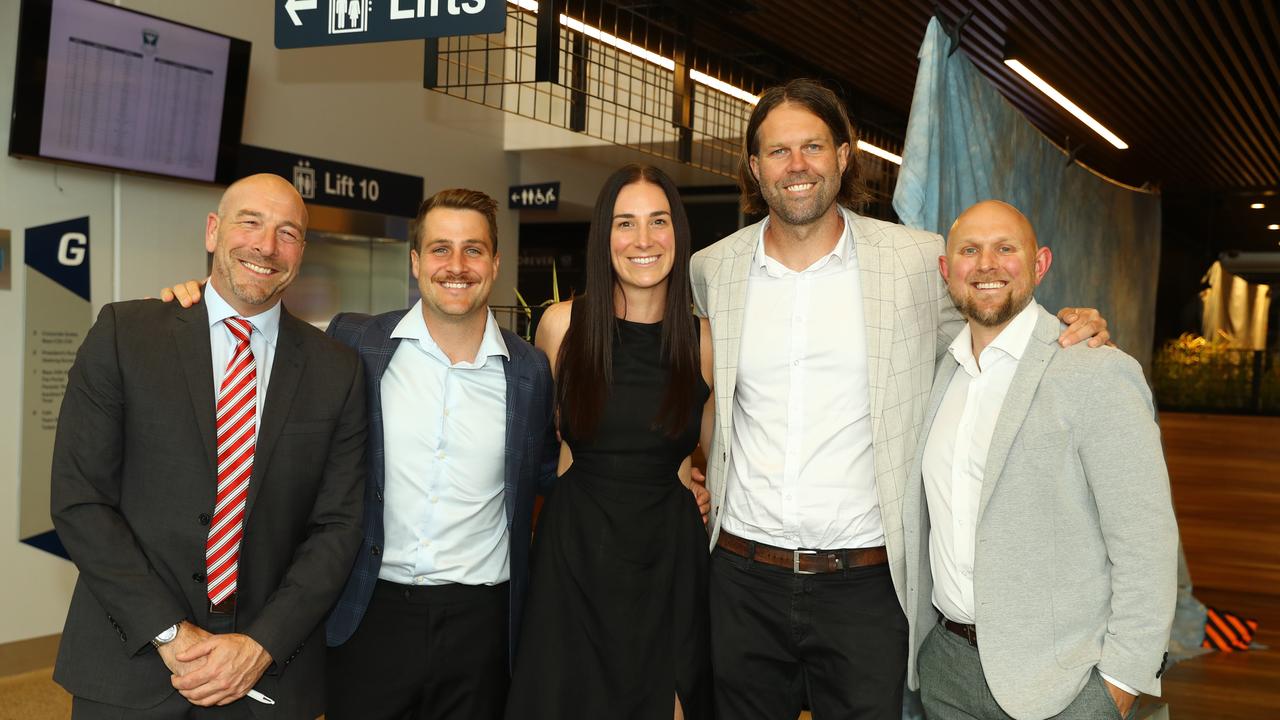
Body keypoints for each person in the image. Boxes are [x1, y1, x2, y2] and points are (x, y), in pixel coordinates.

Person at [689, 78, 1111, 719]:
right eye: (778, 152)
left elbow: (995, 327)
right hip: (743, 577)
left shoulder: (916, 261)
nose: (797, 165)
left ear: (844, 154)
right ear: (754, 167)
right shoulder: (712, 268)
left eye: (812, 146)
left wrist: (1068, 332)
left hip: (867, 587)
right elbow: (702, 391)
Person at [166, 188, 559, 720]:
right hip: (366, 614)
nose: (457, 266)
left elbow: (547, 476)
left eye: (474, 249)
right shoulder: (354, 343)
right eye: (441, 249)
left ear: (495, 262)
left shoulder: (529, 371)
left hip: (482, 625)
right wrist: (197, 298)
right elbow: (257, 331)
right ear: (416, 262)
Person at [50, 173, 367, 719]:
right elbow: (80, 500)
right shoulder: (127, 333)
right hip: (130, 661)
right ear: (213, 231)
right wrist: (169, 633)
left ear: (302, 252)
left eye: (287, 232)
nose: (266, 246)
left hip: (265, 678)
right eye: (250, 222)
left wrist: (261, 644)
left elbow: (338, 526)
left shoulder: (336, 369)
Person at [902, 200, 1177, 720]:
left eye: (1006, 249)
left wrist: (1118, 686)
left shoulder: (1095, 371)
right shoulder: (941, 370)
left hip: (1064, 685)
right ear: (946, 269)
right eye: (969, 250)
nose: (986, 265)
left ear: (1039, 264)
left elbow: (1146, 543)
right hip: (946, 673)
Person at [505, 164, 716, 720]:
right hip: (573, 559)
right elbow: (562, 451)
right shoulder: (562, 327)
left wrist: (703, 490)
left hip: (666, 566)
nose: (643, 240)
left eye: (658, 222)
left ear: (678, 235)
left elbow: (715, 456)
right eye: (625, 223)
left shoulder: (703, 341)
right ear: (604, 237)